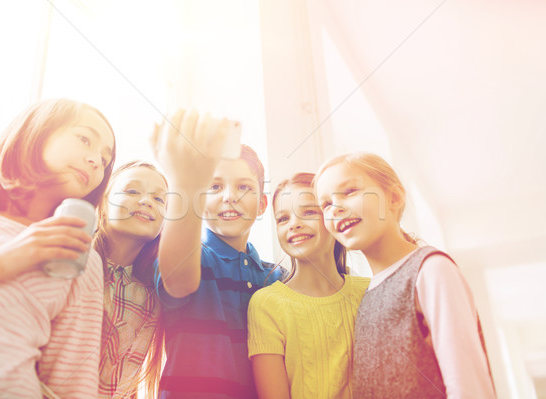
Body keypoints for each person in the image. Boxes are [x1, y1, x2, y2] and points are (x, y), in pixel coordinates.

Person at [0, 98, 116, 398]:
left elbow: (72, 386)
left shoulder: (78, 256)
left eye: (104, 161)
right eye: (84, 139)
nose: (95, 161)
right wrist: (9, 258)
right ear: (37, 133)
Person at [314, 152, 496, 399]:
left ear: (394, 197)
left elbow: (469, 388)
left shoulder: (432, 270)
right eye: (326, 204)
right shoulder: (367, 297)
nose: (336, 208)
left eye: (349, 192)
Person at [150, 109, 284, 398]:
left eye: (244, 187)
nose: (229, 196)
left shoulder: (278, 277)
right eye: (214, 186)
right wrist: (185, 182)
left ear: (262, 205)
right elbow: (177, 281)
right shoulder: (194, 257)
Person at [247, 172, 370, 399]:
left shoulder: (370, 292)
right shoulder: (267, 304)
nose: (294, 225)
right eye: (283, 219)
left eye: (309, 212)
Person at [94, 161, 167, 399]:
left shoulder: (152, 297)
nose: (146, 201)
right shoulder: (72, 263)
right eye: (132, 191)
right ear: (103, 202)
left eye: (159, 200)